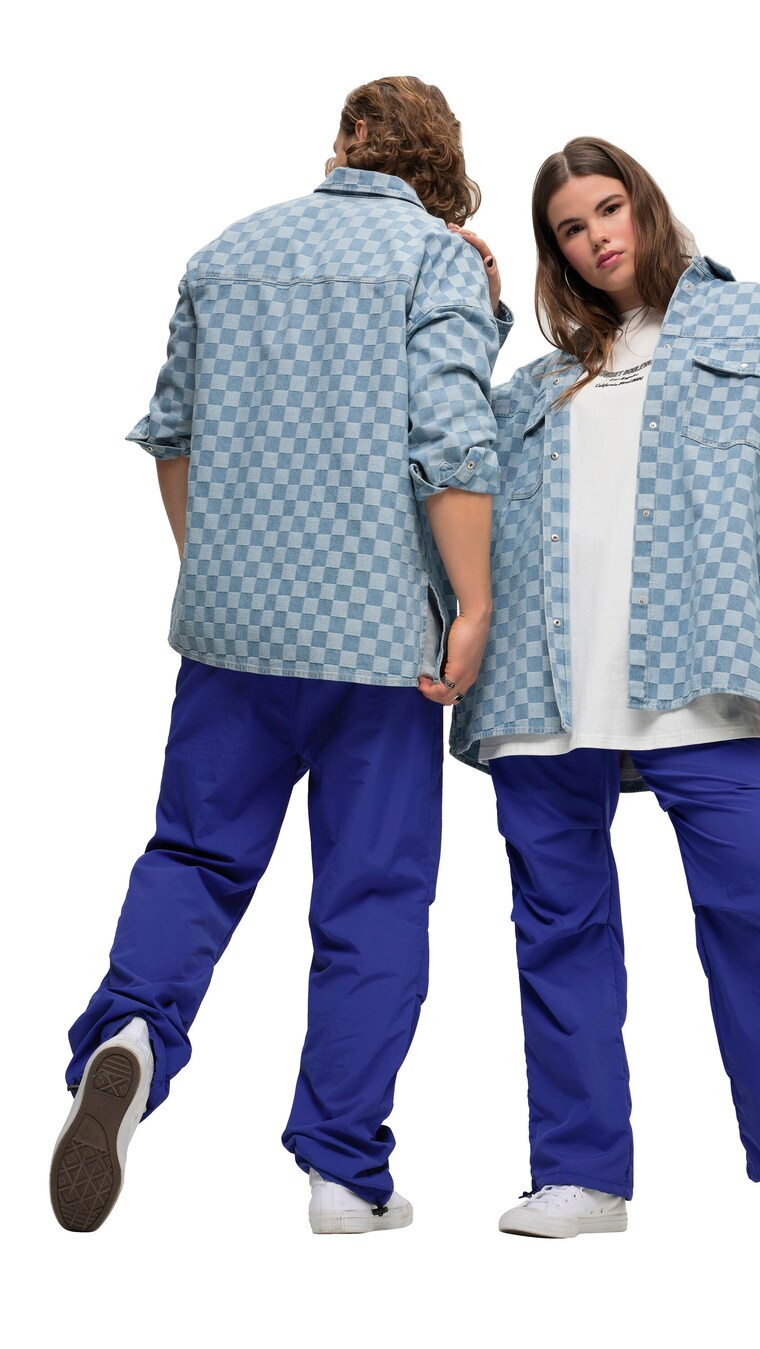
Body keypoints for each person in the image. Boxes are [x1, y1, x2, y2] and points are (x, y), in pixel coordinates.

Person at [50, 75, 509, 1235]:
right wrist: (472, 601)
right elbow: (453, 440)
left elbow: (173, 436)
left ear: (346, 139)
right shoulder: (437, 260)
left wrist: (216, 570)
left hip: (233, 641)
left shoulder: (229, 250)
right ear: (440, 163)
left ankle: (130, 1028)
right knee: (372, 897)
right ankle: (343, 1173)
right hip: (379, 646)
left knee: (195, 855)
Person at [452, 137, 760, 1247]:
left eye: (607, 208)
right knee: (559, 931)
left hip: (699, 673)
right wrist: (473, 319)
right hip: (538, 691)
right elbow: (448, 455)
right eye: (570, 230)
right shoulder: (536, 383)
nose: (596, 237)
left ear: (644, 203)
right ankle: (579, 1174)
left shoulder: (755, 322)